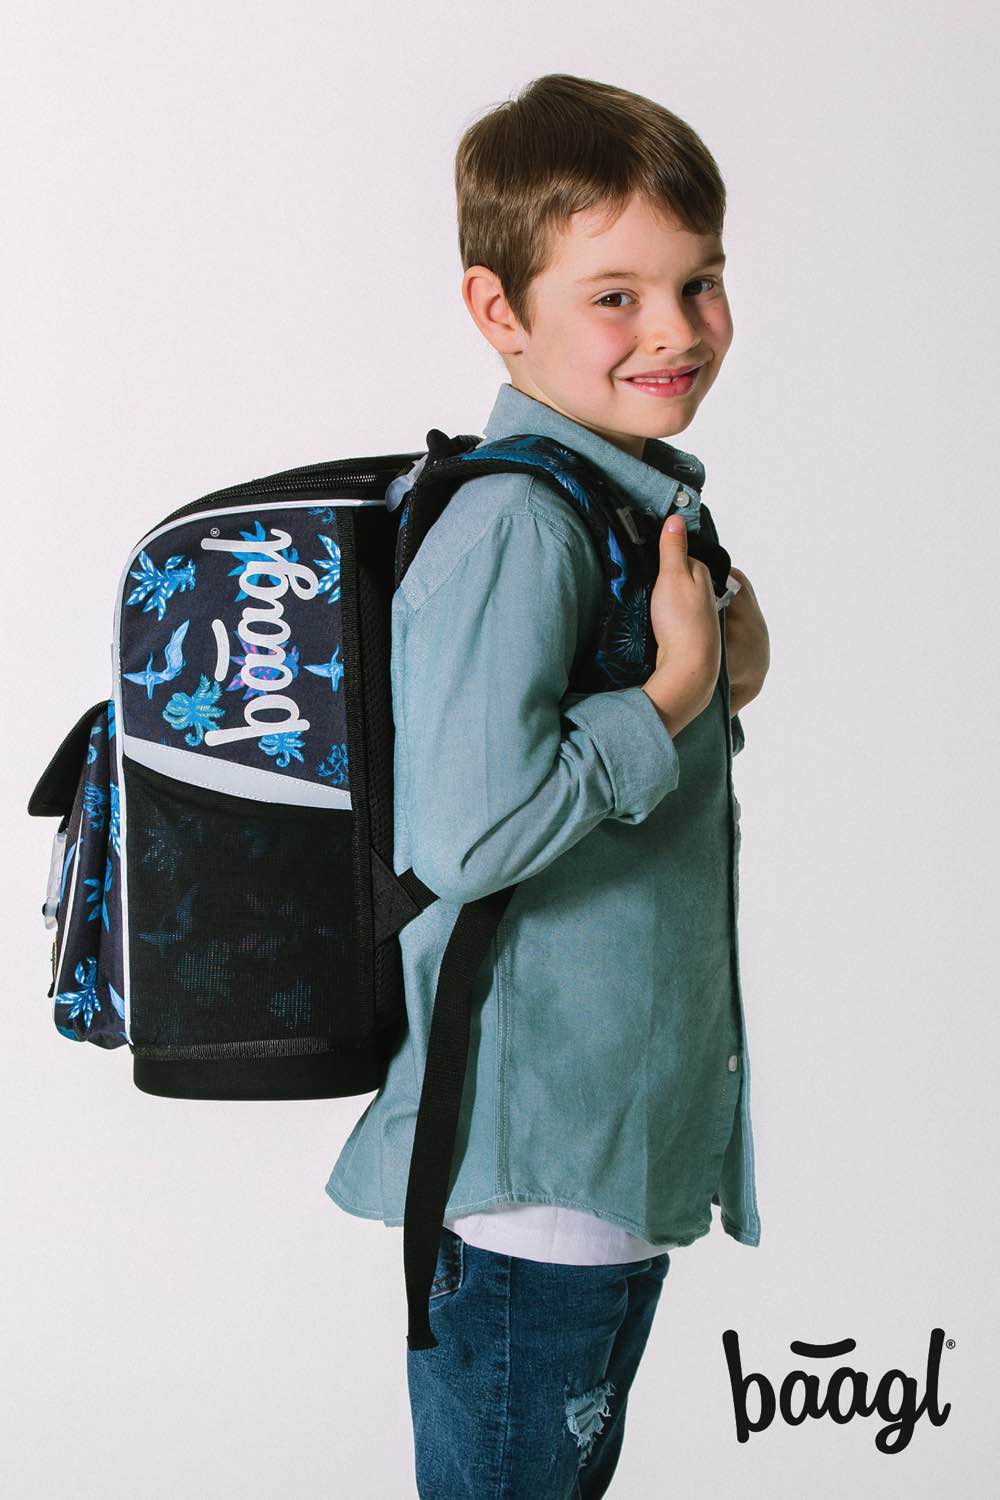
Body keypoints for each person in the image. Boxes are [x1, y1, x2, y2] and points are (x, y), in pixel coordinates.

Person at [325, 71, 771, 1497]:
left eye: (699, 283)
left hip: (596, 1156)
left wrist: (715, 677)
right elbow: (471, 833)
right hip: (533, 1177)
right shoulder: (520, 517)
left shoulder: (621, 503)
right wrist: (672, 699)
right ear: (499, 309)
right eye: (616, 296)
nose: (675, 330)